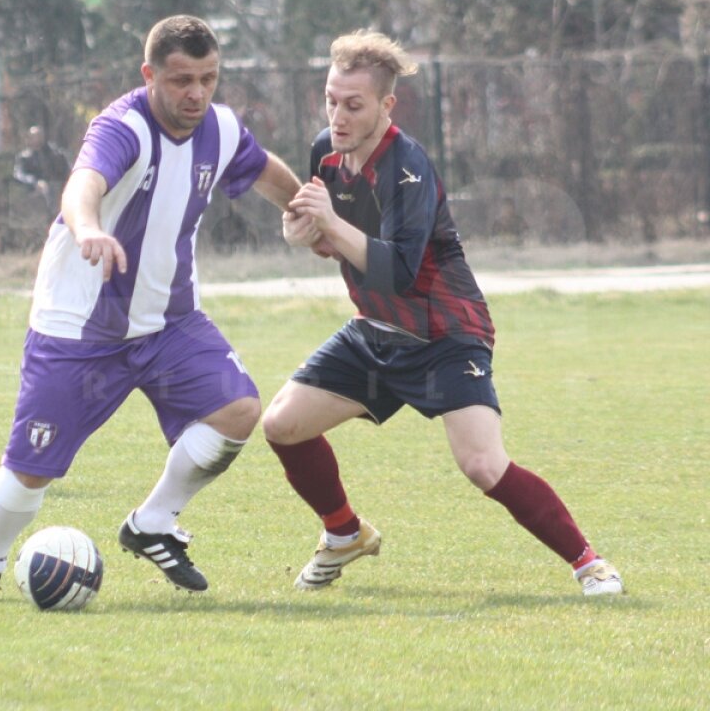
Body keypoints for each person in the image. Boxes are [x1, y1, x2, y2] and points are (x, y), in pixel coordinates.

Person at [0, 15, 303, 602]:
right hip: (80, 328)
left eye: (209, 78)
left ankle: (153, 523)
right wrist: (88, 227)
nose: (197, 93)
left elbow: (262, 169)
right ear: (150, 74)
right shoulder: (122, 127)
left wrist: (309, 210)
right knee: (32, 466)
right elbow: (82, 183)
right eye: (182, 79)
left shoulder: (220, 127)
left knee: (238, 410)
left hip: (169, 322)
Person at [263, 30, 623, 596]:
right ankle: (344, 534)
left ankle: (589, 562)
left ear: (386, 106)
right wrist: (303, 231)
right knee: (282, 425)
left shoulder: (408, 167)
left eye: (353, 104)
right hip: (376, 333)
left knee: (482, 464)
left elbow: (399, 271)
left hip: (445, 333)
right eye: (331, 99)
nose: (338, 114)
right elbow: (332, 240)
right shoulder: (324, 153)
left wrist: (329, 224)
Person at [10, 125, 68, 212]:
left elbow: (65, 169)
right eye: (33, 136)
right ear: (29, 139)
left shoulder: (54, 154)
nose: (36, 139)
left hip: (56, 188)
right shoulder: (24, 157)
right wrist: (35, 182)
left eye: (39, 136)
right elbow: (19, 174)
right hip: (34, 189)